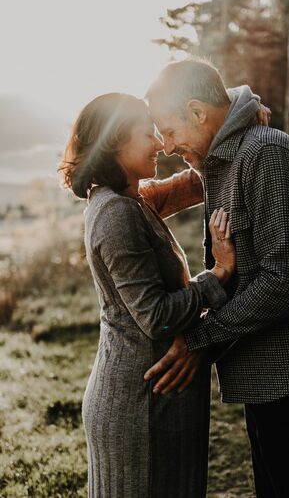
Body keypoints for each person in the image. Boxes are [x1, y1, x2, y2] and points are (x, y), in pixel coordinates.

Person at [144, 57, 289, 498]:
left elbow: (287, 278)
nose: (165, 146)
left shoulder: (267, 155)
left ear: (198, 113)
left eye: (169, 129)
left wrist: (201, 339)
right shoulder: (224, 162)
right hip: (270, 380)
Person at [58, 91, 265, 498]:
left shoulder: (132, 199)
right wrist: (219, 273)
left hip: (157, 397)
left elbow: (196, 180)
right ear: (115, 142)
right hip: (140, 407)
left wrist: (240, 108)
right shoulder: (115, 213)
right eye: (147, 134)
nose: (160, 144)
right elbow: (156, 317)